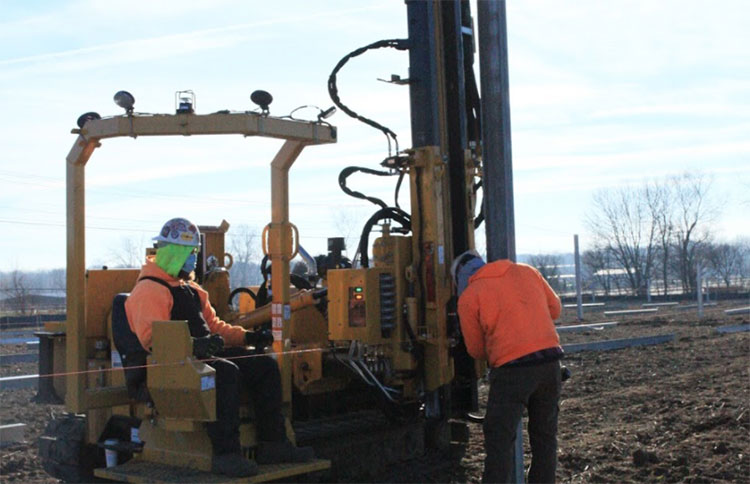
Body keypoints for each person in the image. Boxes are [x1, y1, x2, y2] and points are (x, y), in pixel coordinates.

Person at [125, 218, 314, 478]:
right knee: (225, 373)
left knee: (265, 365)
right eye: (186, 254)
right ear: (168, 253)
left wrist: (248, 338)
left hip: (202, 356)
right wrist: (197, 345)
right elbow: (153, 340)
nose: (191, 260)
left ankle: (273, 443)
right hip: (171, 365)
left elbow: (216, 326)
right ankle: (226, 454)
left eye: (193, 254)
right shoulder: (149, 290)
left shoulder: (192, 290)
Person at [452, 250, 563, 484]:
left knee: (499, 440)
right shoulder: (528, 272)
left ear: (460, 278)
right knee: (545, 438)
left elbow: (475, 350)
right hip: (550, 365)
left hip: (512, 372)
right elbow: (555, 310)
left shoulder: (470, 296)